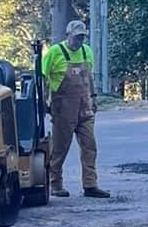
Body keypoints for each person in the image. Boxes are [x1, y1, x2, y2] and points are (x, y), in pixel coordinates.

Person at [41, 18, 110, 199]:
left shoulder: (87, 52)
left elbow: (89, 78)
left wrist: (93, 98)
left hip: (85, 108)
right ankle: (55, 184)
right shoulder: (54, 53)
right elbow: (42, 78)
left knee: (90, 147)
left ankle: (90, 184)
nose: (79, 41)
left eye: (82, 38)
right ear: (67, 36)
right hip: (63, 108)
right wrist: (43, 101)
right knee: (59, 148)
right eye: (76, 38)